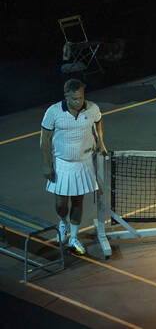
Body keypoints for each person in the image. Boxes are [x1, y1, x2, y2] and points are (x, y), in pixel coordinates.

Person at [40, 79, 107, 255]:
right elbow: (44, 140)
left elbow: (99, 121)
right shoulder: (53, 112)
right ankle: (64, 222)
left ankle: (74, 237)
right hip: (62, 163)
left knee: (78, 201)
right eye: (74, 99)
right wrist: (47, 165)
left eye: (81, 97)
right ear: (66, 96)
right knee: (61, 203)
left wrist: (100, 141)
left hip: (84, 163)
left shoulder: (92, 108)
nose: (78, 102)